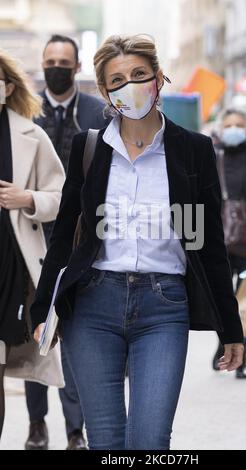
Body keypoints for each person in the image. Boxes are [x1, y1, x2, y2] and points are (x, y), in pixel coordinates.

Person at [30, 34, 244, 451]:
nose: (129, 85)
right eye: (117, 80)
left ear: (159, 79)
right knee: (106, 442)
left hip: (163, 307)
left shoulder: (193, 151)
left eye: (139, 75)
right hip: (92, 305)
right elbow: (64, 235)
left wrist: (230, 328)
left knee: (150, 440)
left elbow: (208, 245)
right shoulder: (90, 148)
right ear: (106, 92)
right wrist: (43, 307)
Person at [25, 34, 108, 451]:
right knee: (36, 334)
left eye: (64, 61)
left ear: (77, 68)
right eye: (50, 60)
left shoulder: (96, 112)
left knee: (72, 335)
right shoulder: (27, 111)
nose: (56, 67)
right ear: (42, 66)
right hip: (33, 237)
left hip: (79, 240)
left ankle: (75, 429)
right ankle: (37, 424)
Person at [0, 49, 65, 440]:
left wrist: (28, 199)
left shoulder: (31, 135)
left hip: (11, 269)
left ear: (7, 88)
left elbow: (60, 196)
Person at [212, 109, 246, 379]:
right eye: (228, 124)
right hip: (217, 241)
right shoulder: (213, 156)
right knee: (223, 298)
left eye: (238, 125)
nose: (233, 128)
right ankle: (225, 343)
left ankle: (240, 358)